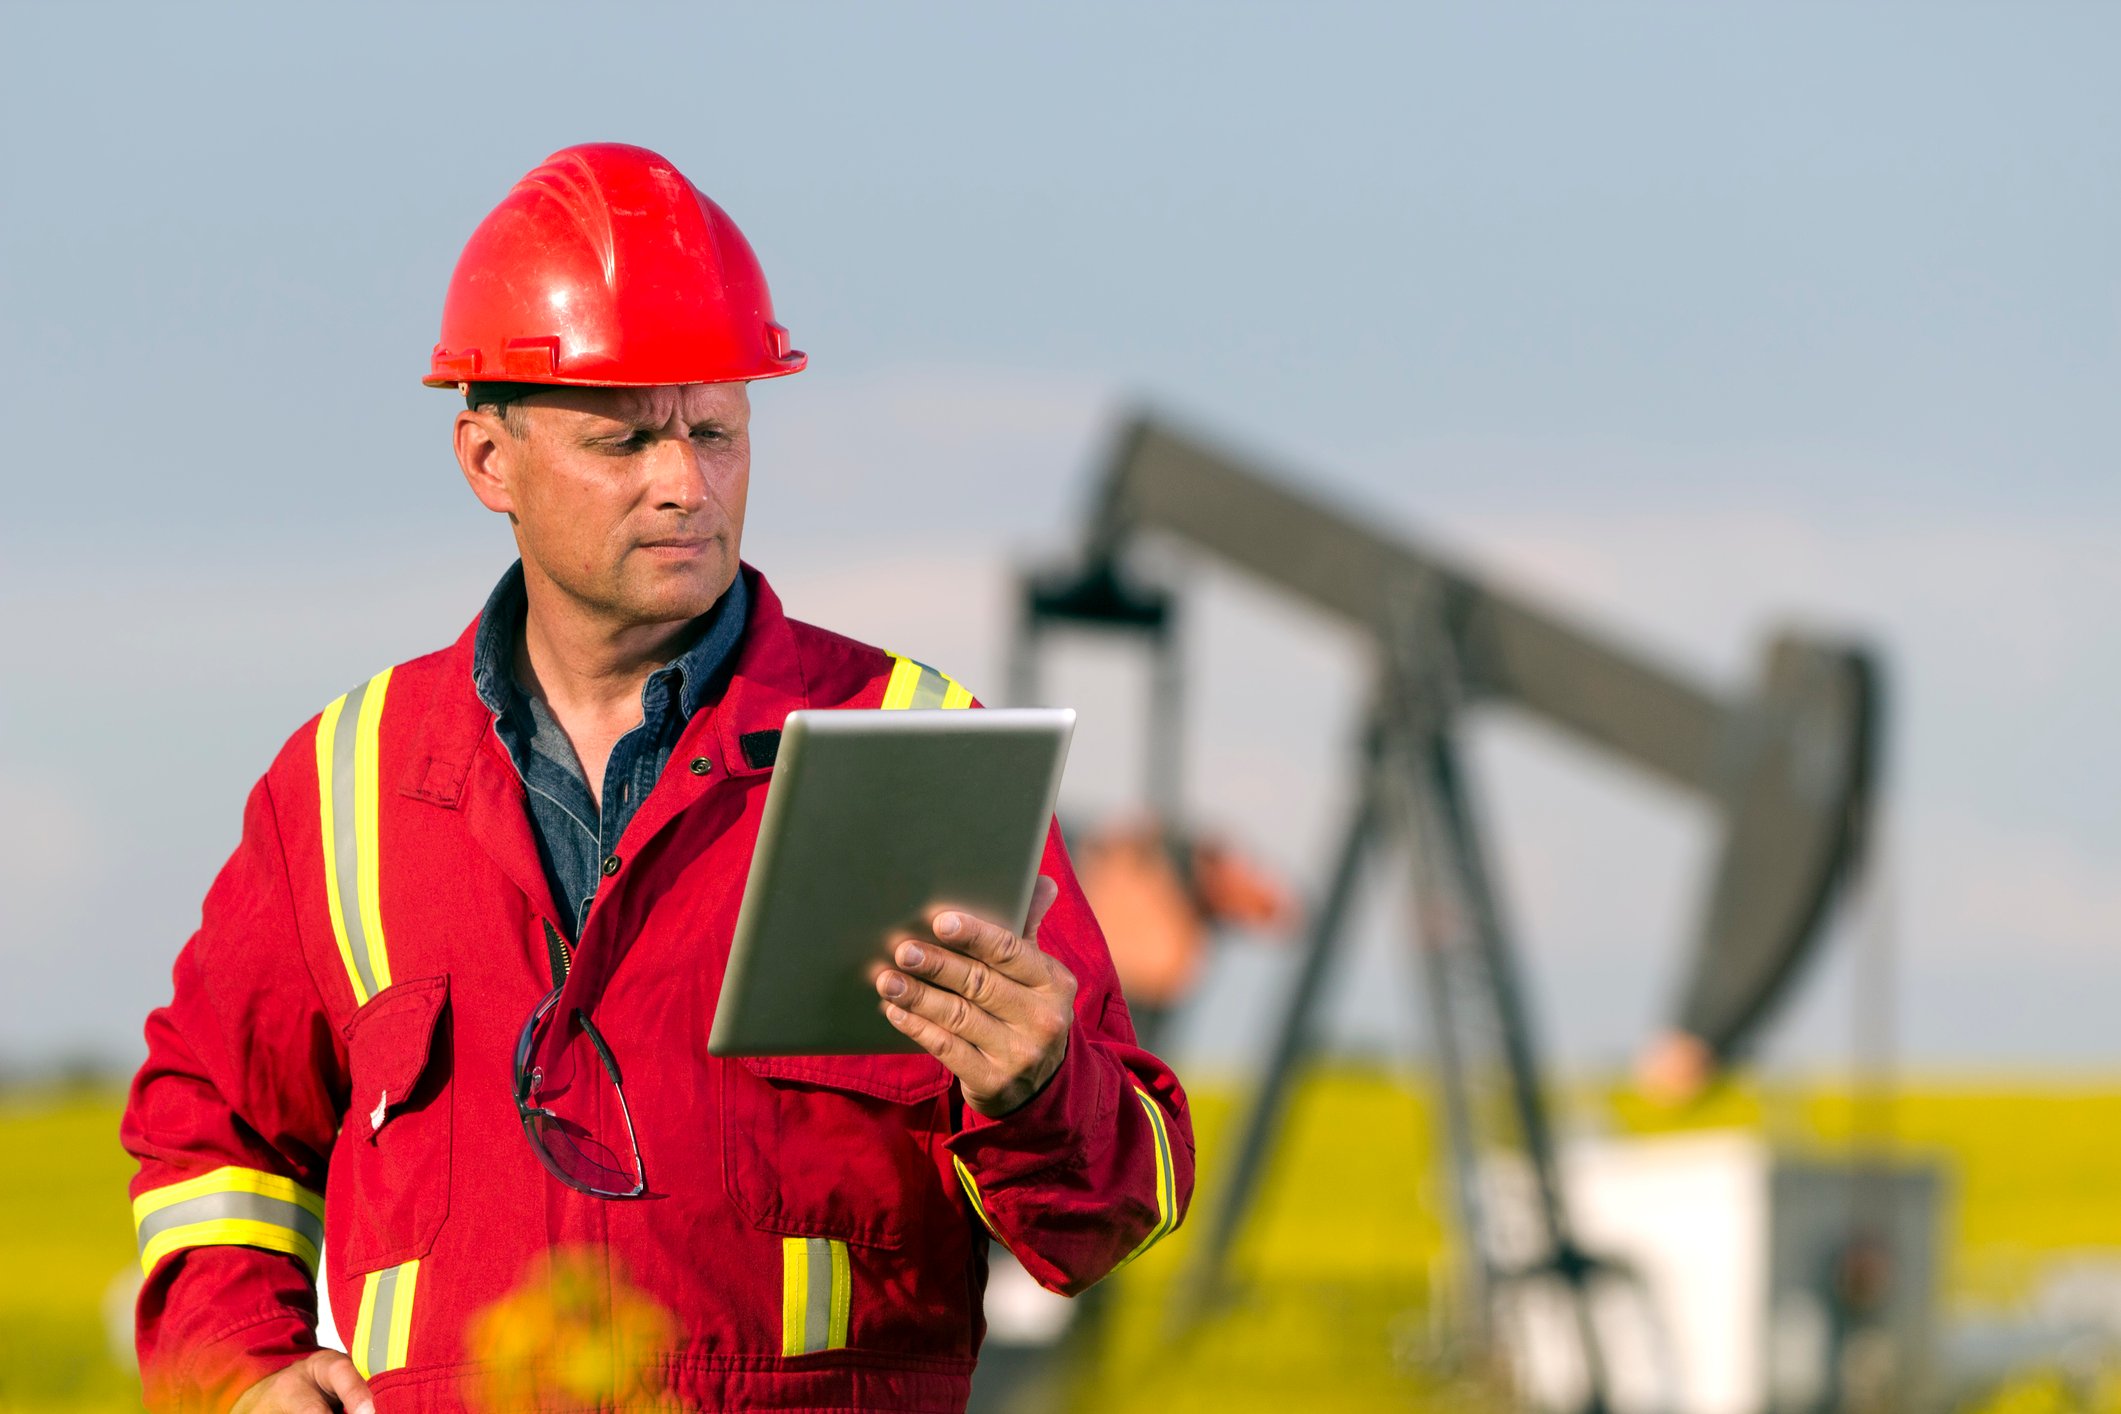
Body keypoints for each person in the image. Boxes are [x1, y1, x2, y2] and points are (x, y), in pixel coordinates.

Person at [120, 142, 1193, 1414]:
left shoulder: (911, 743)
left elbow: (1115, 1206)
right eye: (625, 441)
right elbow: (211, 1130)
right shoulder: (341, 784)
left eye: (716, 432)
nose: (685, 483)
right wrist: (245, 1373)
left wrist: (1034, 1083)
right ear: (487, 460)